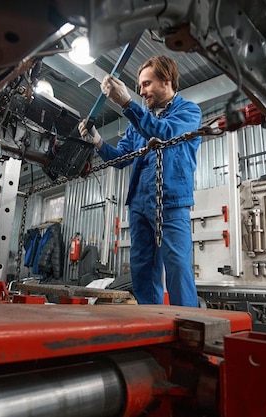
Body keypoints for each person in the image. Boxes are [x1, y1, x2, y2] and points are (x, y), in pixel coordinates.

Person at [79, 55, 202, 307]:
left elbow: (164, 132)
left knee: (177, 264)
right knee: (142, 266)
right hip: (139, 203)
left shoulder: (188, 111)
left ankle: (188, 320)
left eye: (147, 84)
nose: (141, 91)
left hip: (171, 200)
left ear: (166, 82)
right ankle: (150, 318)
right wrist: (98, 141)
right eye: (139, 86)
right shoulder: (137, 125)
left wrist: (126, 102)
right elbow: (122, 158)